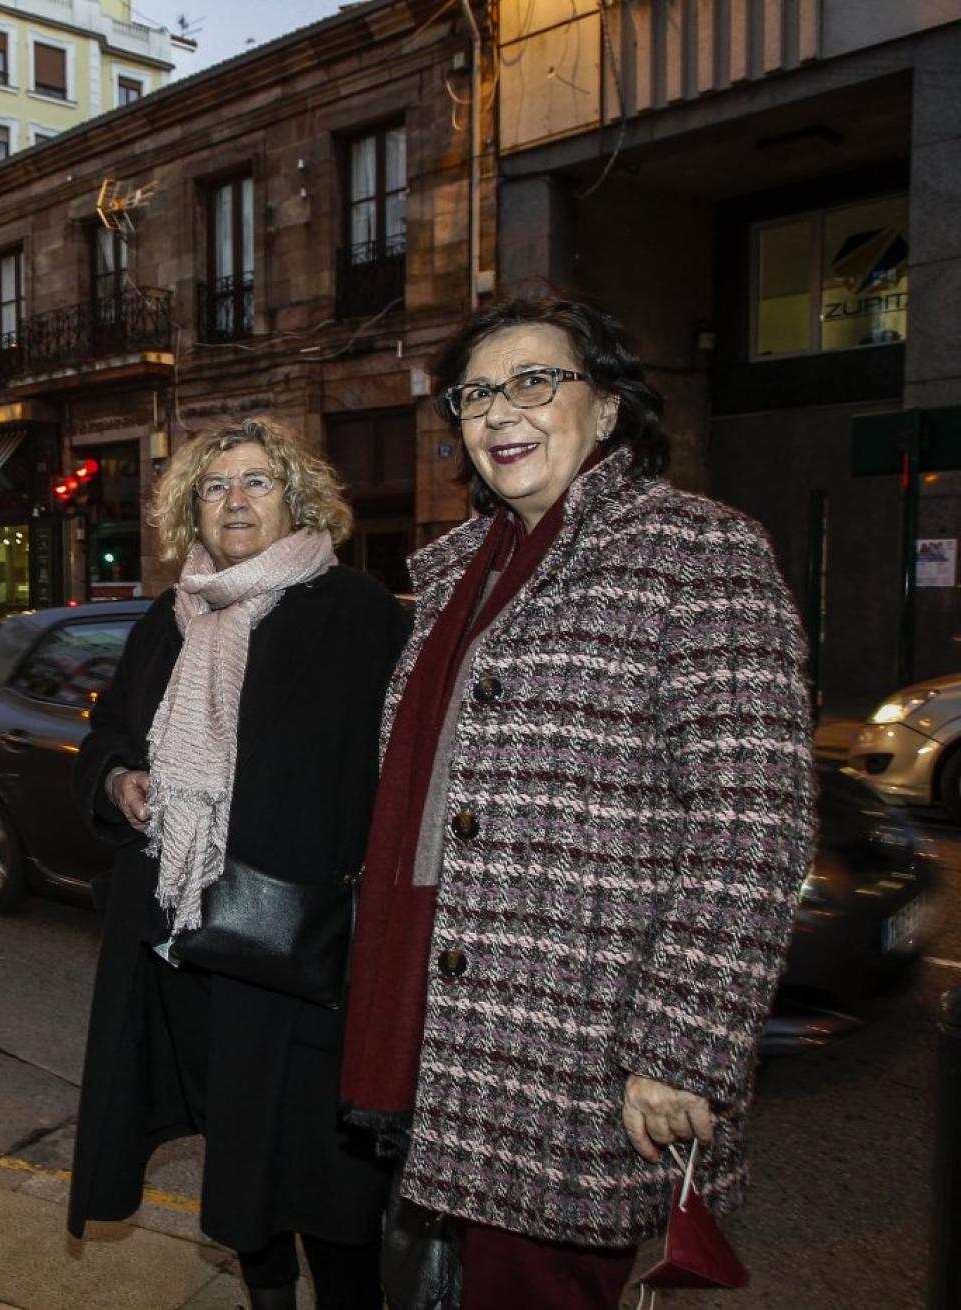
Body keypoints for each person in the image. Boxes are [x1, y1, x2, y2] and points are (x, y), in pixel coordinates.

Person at [341, 296, 816, 1309]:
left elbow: (754, 822)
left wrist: (681, 1047)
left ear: (606, 411)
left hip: (589, 1047)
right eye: (475, 395)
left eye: (534, 381)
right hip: (457, 1021)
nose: (499, 412)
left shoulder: (698, 550)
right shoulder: (464, 572)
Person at [69, 418, 409, 1310]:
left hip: (307, 951)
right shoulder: (167, 620)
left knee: (331, 1178)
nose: (236, 501)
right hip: (191, 949)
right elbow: (107, 735)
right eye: (215, 488)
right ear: (193, 513)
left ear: (297, 500)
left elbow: (401, 783)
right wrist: (118, 781)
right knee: (240, 1157)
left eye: (257, 482)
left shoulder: (358, 614)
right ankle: (266, 1298)